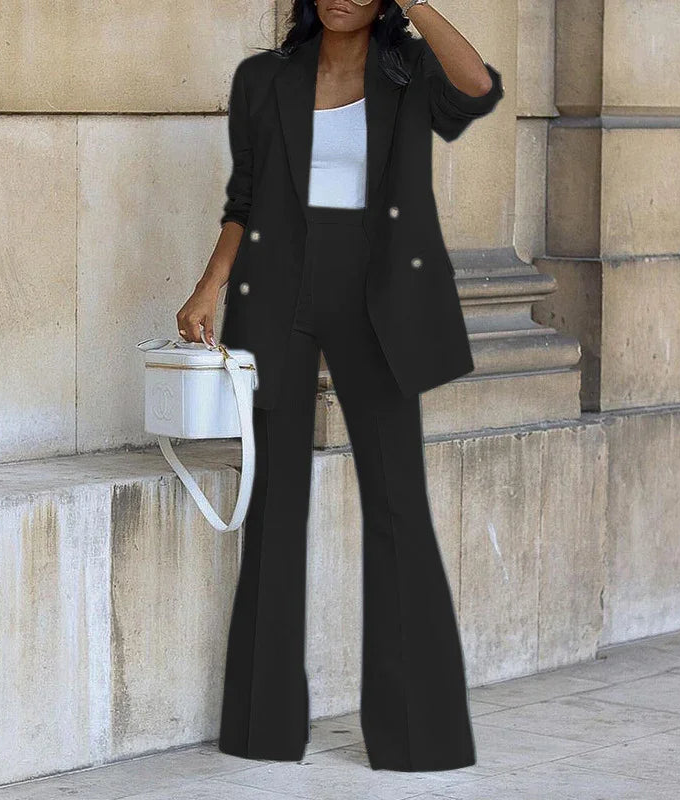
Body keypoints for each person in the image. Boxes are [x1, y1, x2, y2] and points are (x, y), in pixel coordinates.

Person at [176, 0, 504, 773]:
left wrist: (421, 4)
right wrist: (207, 287)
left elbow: (479, 87)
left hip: (381, 292)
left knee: (397, 502)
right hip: (278, 291)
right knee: (274, 505)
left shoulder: (406, 69)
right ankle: (262, 727)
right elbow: (245, 200)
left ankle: (418, 738)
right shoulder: (264, 78)